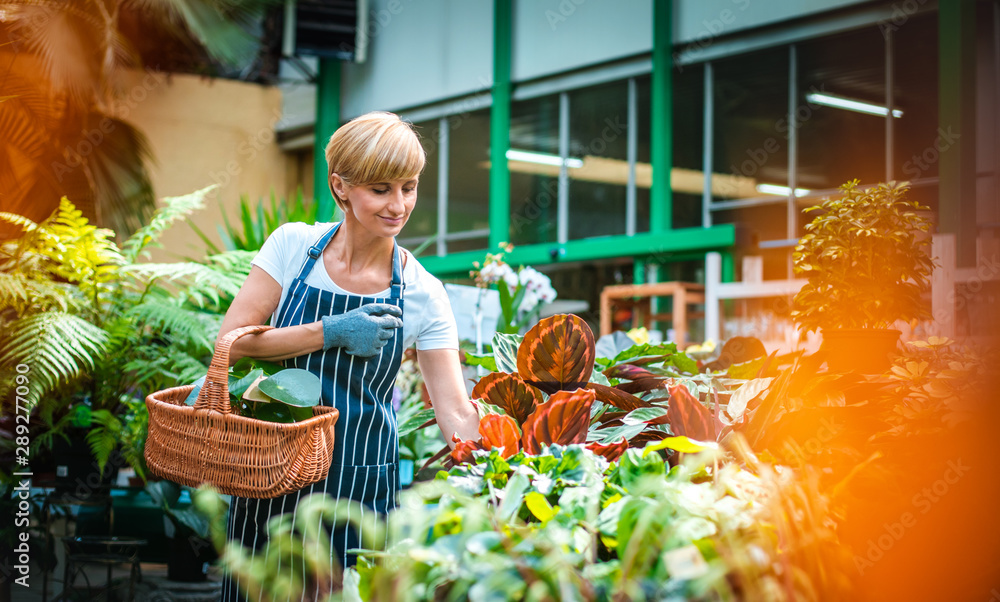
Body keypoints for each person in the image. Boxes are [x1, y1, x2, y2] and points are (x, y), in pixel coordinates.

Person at [215, 111, 480, 600]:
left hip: (358, 483)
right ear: (341, 187)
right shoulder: (293, 247)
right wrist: (331, 332)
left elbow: (454, 410)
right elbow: (232, 343)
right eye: (380, 189)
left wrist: (510, 463)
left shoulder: (424, 292)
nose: (398, 205)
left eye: (409, 187)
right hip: (269, 468)